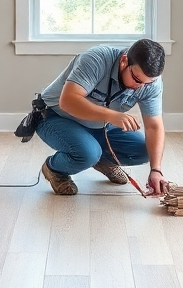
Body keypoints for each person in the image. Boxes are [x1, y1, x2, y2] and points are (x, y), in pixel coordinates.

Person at [37, 39, 169, 196]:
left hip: (99, 123)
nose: (140, 87)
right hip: (55, 115)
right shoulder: (96, 59)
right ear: (124, 61)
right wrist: (111, 115)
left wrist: (156, 170)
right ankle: (54, 168)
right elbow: (67, 101)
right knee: (88, 153)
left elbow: (154, 126)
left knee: (144, 151)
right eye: (137, 80)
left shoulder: (150, 82)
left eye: (148, 83)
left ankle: (103, 161)